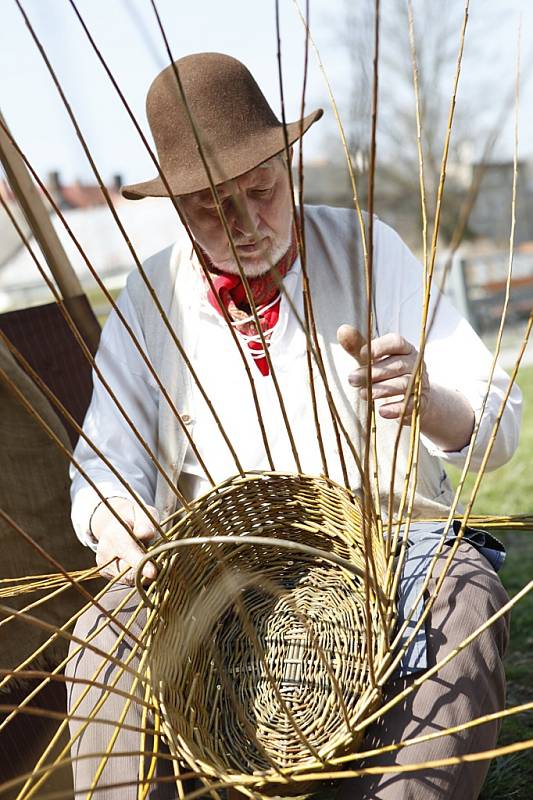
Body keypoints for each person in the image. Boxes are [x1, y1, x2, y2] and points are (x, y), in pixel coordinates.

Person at [66, 53, 521, 799]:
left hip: (388, 542)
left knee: (464, 598)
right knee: (101, 639)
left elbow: (494, 418)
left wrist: (429, 401)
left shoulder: (370, 249)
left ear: (289, 164)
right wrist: (117, 520)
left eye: (261, 190)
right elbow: (104, 465)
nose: (247, 225)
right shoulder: (148, 298)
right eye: (214, 206)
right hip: (220, 568)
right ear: (178, 208)